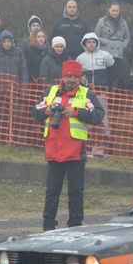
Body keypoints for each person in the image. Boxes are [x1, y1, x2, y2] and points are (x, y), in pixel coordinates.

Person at [32, 60, 105, 231]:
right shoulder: (50, 92)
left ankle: (75, 225)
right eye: (68, 76)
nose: (71, 80)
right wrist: (46, 111)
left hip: (75, 151)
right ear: (62, 77)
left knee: (76, 192)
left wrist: (76, 112)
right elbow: (35, 111)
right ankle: (48, 225)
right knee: (52, 191)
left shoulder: (87, 94)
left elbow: (98, 115)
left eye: (75, 77)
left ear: (80, 78)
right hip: (54, 150)